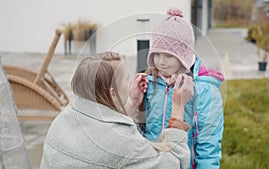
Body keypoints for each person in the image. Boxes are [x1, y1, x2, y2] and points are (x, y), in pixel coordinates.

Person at [40, 51, 193, 169]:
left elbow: (103, 130)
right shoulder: (124, 142)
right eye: (126, 79)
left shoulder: (62, 119)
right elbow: (176, 163)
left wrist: (132, 105)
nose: (129, 83)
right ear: (112, 93)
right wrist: (178, 108)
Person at [139, 7, 225, 169]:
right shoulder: (152, 82)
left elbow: (209, 143)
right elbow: (143, 128)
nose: (160, 62)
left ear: (184, 56)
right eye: (156, 54)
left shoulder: (204, 89)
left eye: (169, 55)